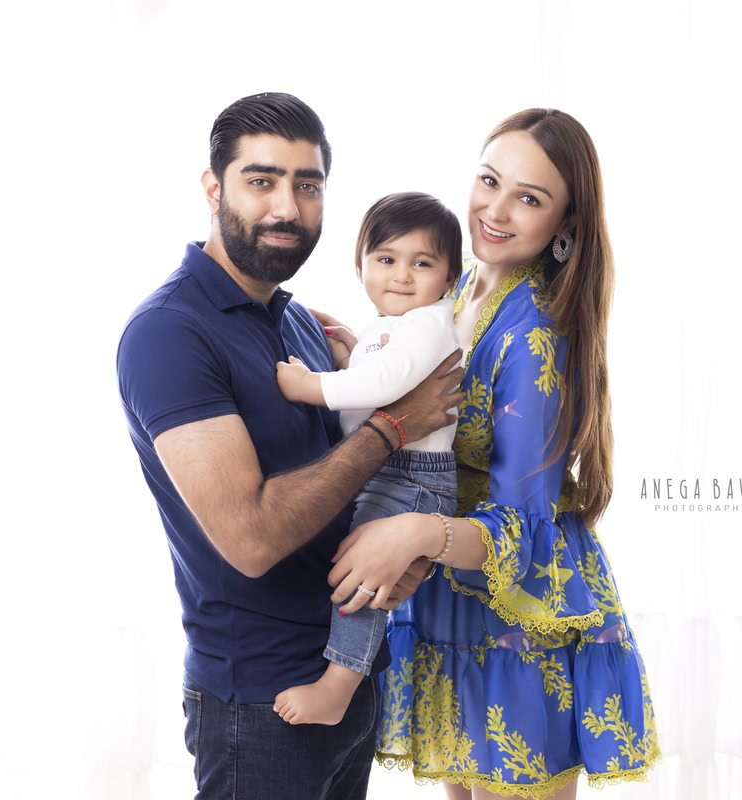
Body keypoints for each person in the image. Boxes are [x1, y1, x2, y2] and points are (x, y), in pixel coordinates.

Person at [115, 93, 464, 800]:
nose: (287, 206)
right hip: (259, 704)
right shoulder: (169, 333)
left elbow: (359, 497)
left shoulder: (301, 323)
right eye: (262, 180)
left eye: (308, 186)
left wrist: (402, 564)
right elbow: (251, 536)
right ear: (213, 188)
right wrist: (394, 424)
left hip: (348, 677)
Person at [322, 109, 663, 798]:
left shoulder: (536, 334)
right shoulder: (457, 287)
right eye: (488, 180)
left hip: (522, 612)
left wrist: (414, 532)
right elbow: (426, 401)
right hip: (454, 599)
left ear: (565, 224)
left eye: (529, 198)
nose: (495, 211)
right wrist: (360, 360)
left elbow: (523, 529)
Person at [271, 192, 464, 726]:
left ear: (450, 278)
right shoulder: (392, 325)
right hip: (390, 470)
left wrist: (313, 386)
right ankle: (343, 673)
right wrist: (348, 348)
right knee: (356, 570)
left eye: (422, 263)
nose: (402, 275)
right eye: (386, 259)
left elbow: (392, 379)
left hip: (410, 477)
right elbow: (381, 370)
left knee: (360, 577)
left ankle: (339, 685)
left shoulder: (427, 321)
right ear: (361, 265)